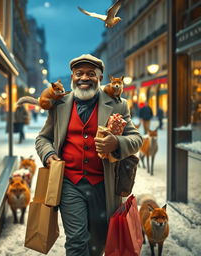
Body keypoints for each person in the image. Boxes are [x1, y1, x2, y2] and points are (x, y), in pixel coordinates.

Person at [35, 54, 142, 256]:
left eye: (91, 74)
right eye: (79, 73)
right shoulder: (59, 104)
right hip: (69, 183)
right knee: (76, 240)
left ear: (100, 78)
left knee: (98, 242)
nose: (84, 78)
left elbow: (136, 139)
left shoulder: (118, 104)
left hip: (103, 185)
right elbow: (42, 139)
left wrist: (116, 142)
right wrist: (49, 154)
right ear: (72, 77)